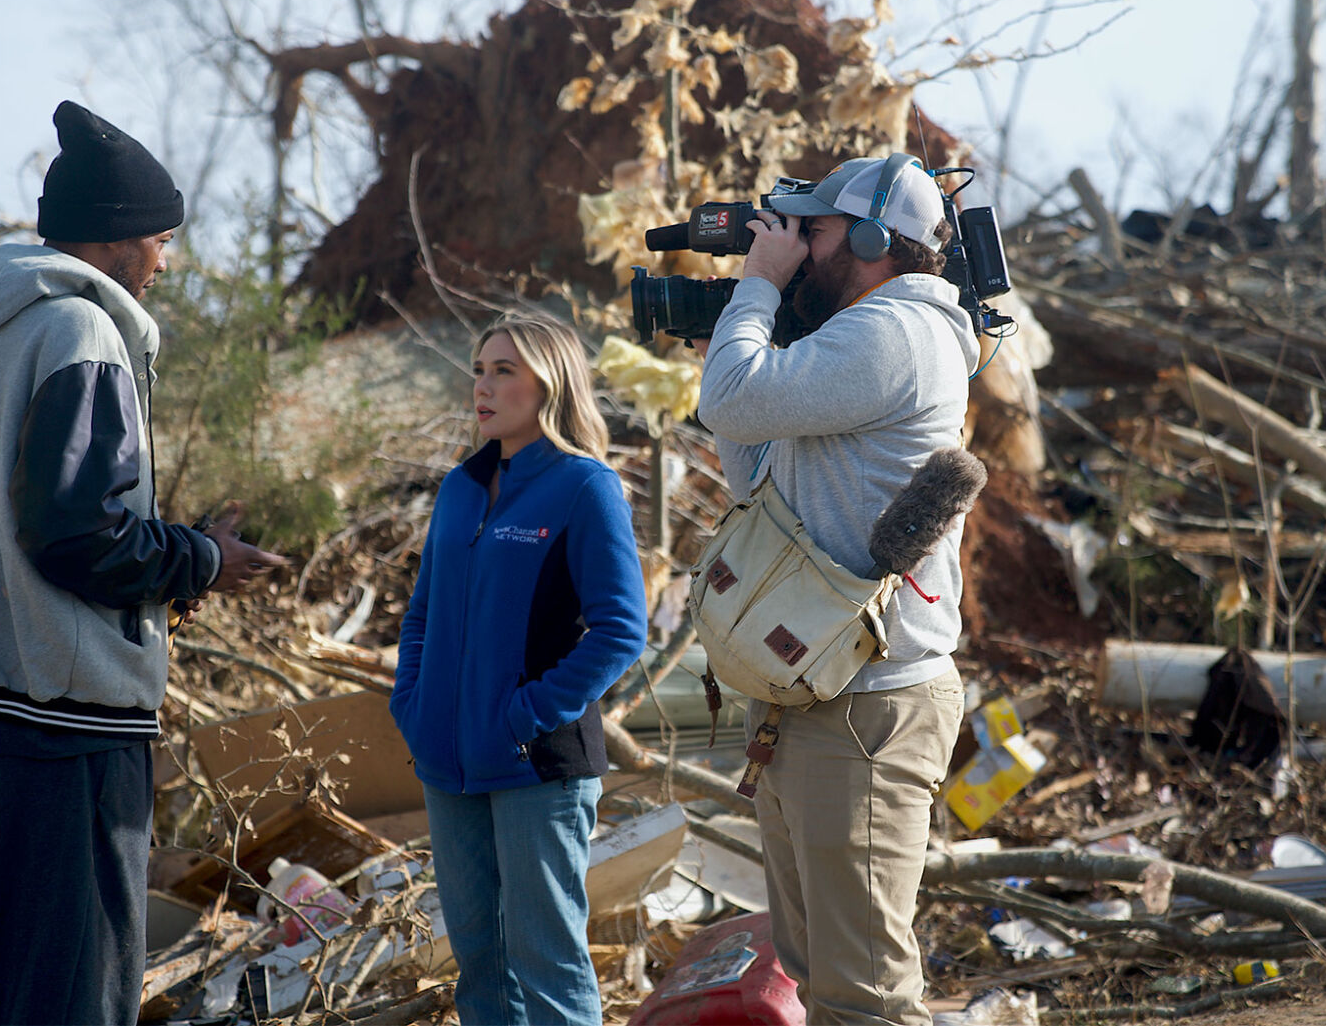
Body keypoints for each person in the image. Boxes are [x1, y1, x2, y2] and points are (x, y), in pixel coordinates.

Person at [0, 100, 287, 1025]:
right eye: (160, 239)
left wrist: (165, 574)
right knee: (72, 995)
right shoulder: (78, 333)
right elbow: (81, 534)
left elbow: (20, 525)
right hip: (65, 722)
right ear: (116, 240)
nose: (164, 261)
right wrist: (201, 558)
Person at [694, 153, 981, 1025]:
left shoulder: (896, 331)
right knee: (820, 976)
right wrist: (762, 318)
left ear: (868, 238)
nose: (792, 246)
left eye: (809, 232)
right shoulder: (856, 333)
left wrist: (754, 293)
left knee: (865, 997)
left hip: (866, 708)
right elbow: (753, 468)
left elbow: (731, 400)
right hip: (816, 692)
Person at [389, 314, 648, 1026]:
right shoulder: (460, 488)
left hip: (538, 766)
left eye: (504, 369)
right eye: (479, 368)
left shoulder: (583, 487)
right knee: (479, 969)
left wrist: (524, 713)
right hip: (449, 765)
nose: (483, 384)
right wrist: (413, 704)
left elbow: (623, 630)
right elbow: (421, 616)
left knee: (547, 965)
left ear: (550, 381)